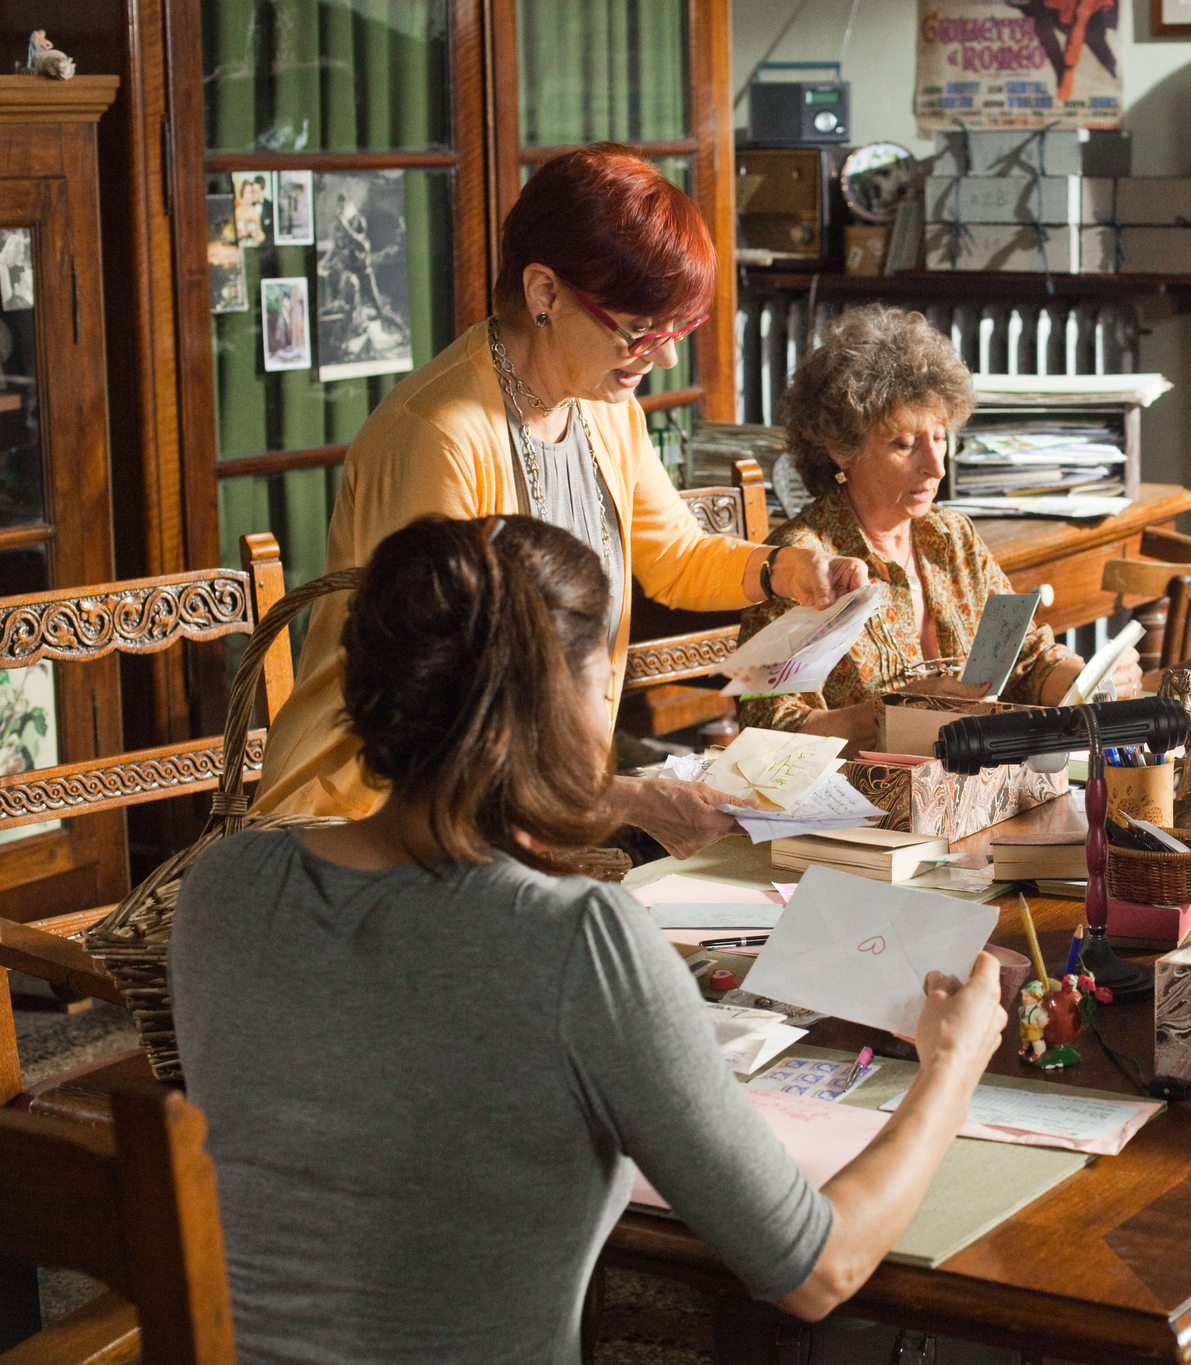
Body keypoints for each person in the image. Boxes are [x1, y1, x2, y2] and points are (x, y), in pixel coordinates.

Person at [172, 515, 1007, 1364]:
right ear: (569, 703)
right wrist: (953, 1064)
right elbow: (818, 1269)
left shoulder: (225, 886)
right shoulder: (577, 944)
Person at [254, 145, 866, 858]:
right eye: (642, 330)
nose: (663, 357)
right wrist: (626, 797)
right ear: (544, 292)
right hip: (375, 823)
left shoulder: (603, 406)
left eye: (678, 331)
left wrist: (783, 569)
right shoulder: (439, 437)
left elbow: (671, 556)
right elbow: (441, 709)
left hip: (517, 807)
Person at [735, 305, 1139, 747]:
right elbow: (768, 731)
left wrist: (1089, 683)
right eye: (904, 444)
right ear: (840, 448)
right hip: (862, 804)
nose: (935, 468)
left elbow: (1027, 659)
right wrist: (893, 715)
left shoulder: (951, 537)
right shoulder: (801, 564)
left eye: (941, 437)